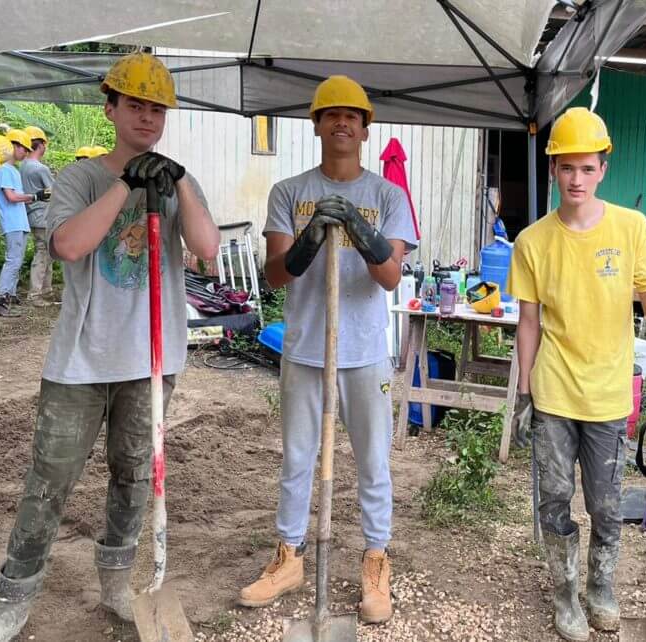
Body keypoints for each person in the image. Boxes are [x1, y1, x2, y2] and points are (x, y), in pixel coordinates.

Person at [0, 52, 220, 642]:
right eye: (135, 104)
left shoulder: (177, 180)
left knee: (135, 475)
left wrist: (178, 181)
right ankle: (14, 599)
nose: (147, 116)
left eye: (157, 108)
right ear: (110, 109)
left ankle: (115, 579)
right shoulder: (80, 178)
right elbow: (69, 246)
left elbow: (208, 246)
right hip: (81, 360)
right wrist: (126, 185)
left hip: (152, 360)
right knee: (50, 477)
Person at [239, 75, 416, 626]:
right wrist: (311, 236)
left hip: (364, 351)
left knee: (373, 459)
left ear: (366, 128)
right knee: (297, 457)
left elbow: (390, 277)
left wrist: (363, 233)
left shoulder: (387, 197)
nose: (342, 122)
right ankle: (289, 556)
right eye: (331, 114)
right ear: (315, 124)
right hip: (306, 346)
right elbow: (274, 275)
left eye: (352, 115)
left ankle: (376, 559)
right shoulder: (289, 192)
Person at [507, 107, 646, 641]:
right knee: (554, 501)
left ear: (603, 167)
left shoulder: (630, 229)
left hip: (608, 395)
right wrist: (525, 392)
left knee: (606, 505)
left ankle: (601, 587)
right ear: (553, 169)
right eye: (566, 168)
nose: (576, 179)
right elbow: (529, 325)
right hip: (555, 393)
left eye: (587, 168)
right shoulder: (532, 242)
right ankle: (565, 594)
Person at [0, 128, 45, 316]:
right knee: (13, 261)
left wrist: (35, 197)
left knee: (17, 260)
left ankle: (11, 297)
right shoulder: (4, 169)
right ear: (13, 146)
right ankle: (1, 299)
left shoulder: (13, 170)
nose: (26, 152)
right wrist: (35, 196)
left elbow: (19, 197)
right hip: (12, 222)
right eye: (23, 148)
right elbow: (11, 197)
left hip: (19, 221)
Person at [20, 125, 57, 306]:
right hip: (44, 216)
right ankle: (35, 294)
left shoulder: (22, 166)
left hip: (31, 215)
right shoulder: (39, 169)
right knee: (43, 254)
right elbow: (55, 191)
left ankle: (46, 291)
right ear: (41, 145)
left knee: (46, 253)